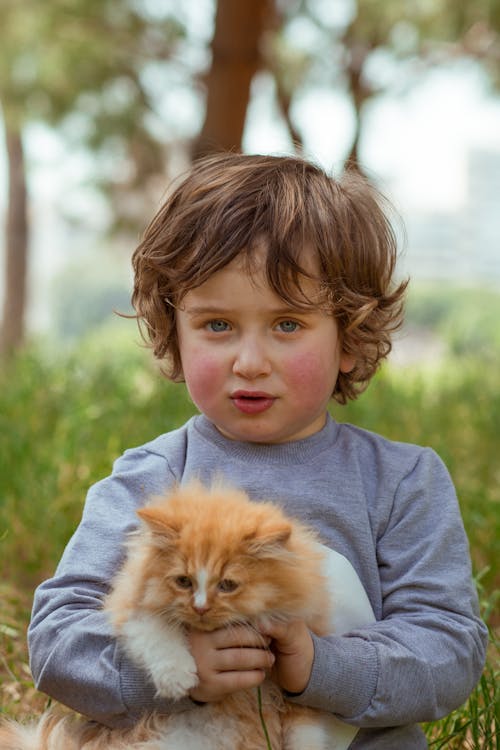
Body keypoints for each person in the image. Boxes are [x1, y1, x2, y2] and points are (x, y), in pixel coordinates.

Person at [28, 153, 487, 748]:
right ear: (175, 330)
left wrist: (317, 666)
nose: (249, 361)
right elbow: (56, 636)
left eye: (288, 324)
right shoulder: (149, 478)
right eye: (217, 325)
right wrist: (174, 667)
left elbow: (449, 649)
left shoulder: (402, 481)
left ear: (349, 336)